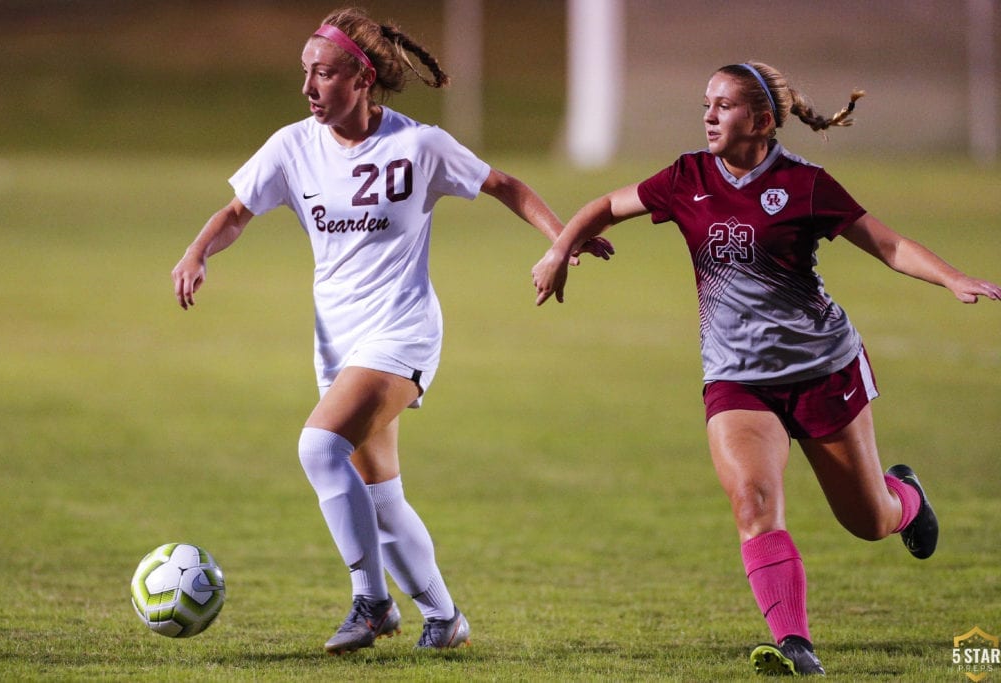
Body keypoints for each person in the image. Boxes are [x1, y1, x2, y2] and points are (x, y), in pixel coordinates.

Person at [531, 61, 1000, 676]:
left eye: (723, 105)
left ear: (760, 119)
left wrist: (952, 278)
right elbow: (604, 205)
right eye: (706, 103)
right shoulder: (687, 176)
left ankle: (906, 498)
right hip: (736, 377)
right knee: (752, 502)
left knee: (868, 521)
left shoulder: (805, 184)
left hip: (823, 370)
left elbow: (886, 244)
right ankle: (795, 644)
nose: (708, 114)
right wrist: (560, 249)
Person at [171, 7, 612, 655]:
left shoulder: (418, 146)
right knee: (379, 496)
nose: (309, 88)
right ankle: (444, 615)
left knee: (319, 449)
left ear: (363, 77)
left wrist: (561, 237)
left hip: (402, 331)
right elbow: (237, 210)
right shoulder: (293, 146)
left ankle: (372, 603)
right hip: (337, 341)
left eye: (323, 74)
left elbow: (503, 184)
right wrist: (197, 252)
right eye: (305, 73)